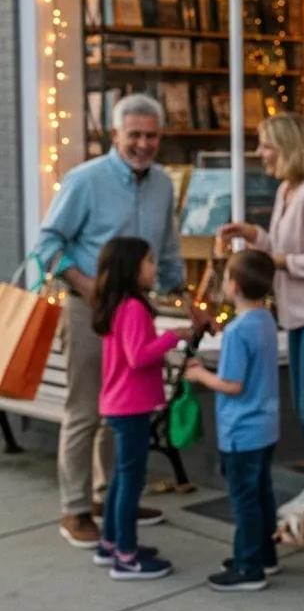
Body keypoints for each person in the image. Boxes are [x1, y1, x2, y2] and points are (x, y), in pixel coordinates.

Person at [35, 94, 186, 547]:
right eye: (134, 135)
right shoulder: (86, 180)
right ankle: (75, 509)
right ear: (114, 135)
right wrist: (87, 287)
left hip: (138, 313)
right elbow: (47, 246)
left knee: (120, 408)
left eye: (151, 136)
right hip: (90, 311)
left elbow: (169, 246)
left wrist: (182, 293)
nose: (143, 144)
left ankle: (110, 497)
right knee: (84, 410)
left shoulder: (162, 184)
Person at [218, 113, 304, 515]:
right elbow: (283, 244)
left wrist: (277, 259)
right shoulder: (287, 191)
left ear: (289, 147)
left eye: (266, 145)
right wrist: (253, 235)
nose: (260, 153)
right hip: (299, 314)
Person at [92, 238, 194, 580]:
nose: (155, 268)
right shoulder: (133, 307)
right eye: (150, 262)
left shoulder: (117, 305)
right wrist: (172, 337)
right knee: (131, 480)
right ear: (132, 269)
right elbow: (138, 357)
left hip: (120, 404)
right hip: (130, 406)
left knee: (122, 477)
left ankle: (110, 543)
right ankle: (127, 555)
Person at [185, 250, 280, 592]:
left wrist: (199, 375)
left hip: (241, 430)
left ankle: (248, 565)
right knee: (261, 494)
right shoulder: (266, 320)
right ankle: (265, 554)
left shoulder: (239, 331)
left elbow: (233, 384)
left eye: (226, 277)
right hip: (265, 426)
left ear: (235, 285)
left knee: (244, 501)